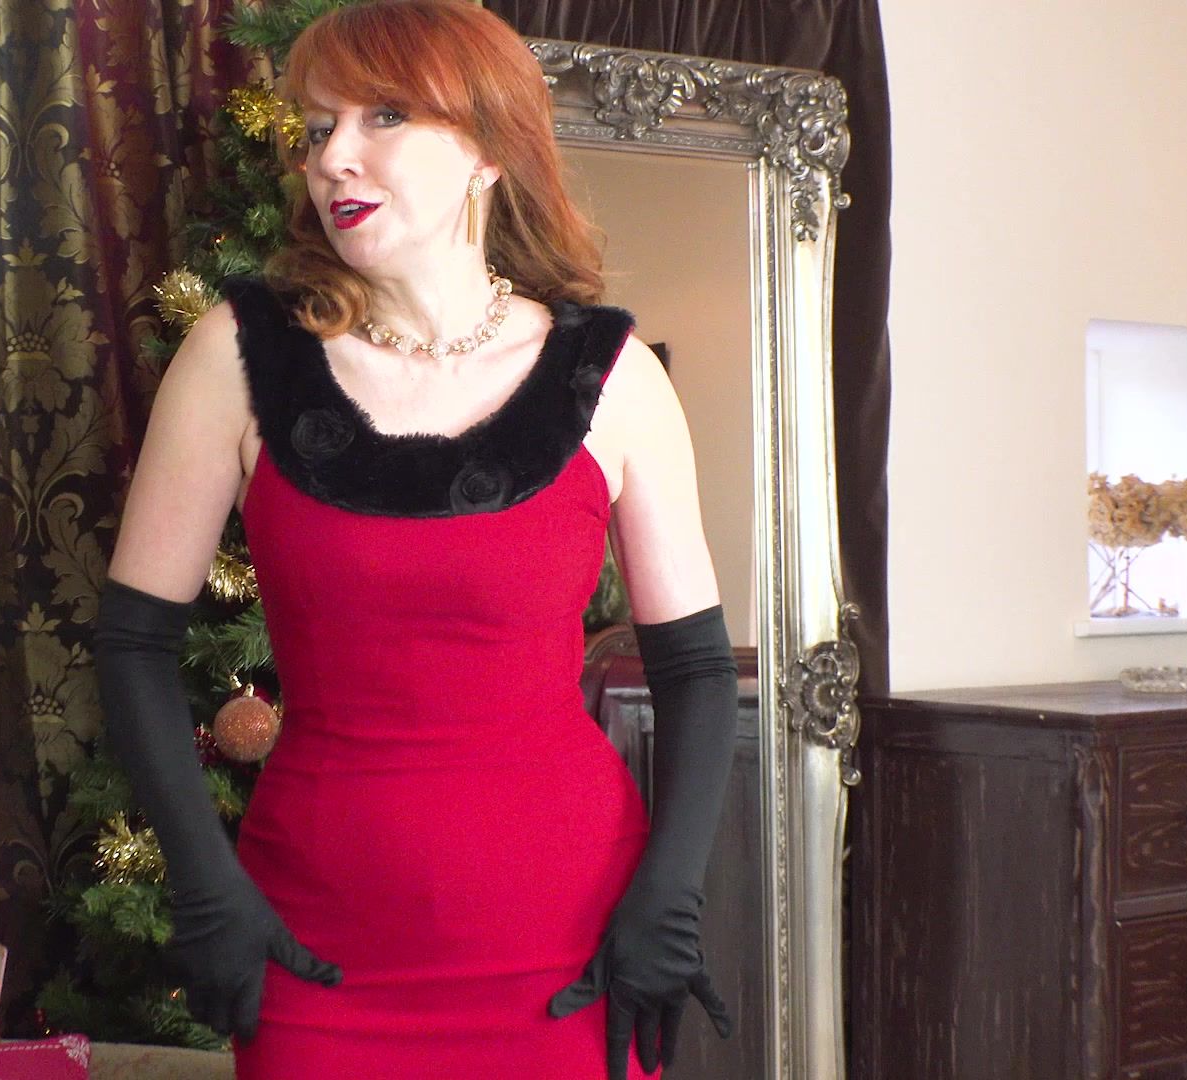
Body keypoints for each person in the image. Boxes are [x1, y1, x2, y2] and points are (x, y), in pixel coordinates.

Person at [92, 2, 739, 1077]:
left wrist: (669, 896)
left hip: (571, 947)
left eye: (382, 117)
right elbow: (134, 641)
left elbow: (697, 668)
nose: (332, 157)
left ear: (487, 148)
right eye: (318, 128)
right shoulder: (239, 355)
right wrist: (206, 886)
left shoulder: (612, 375)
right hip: (319, 946)